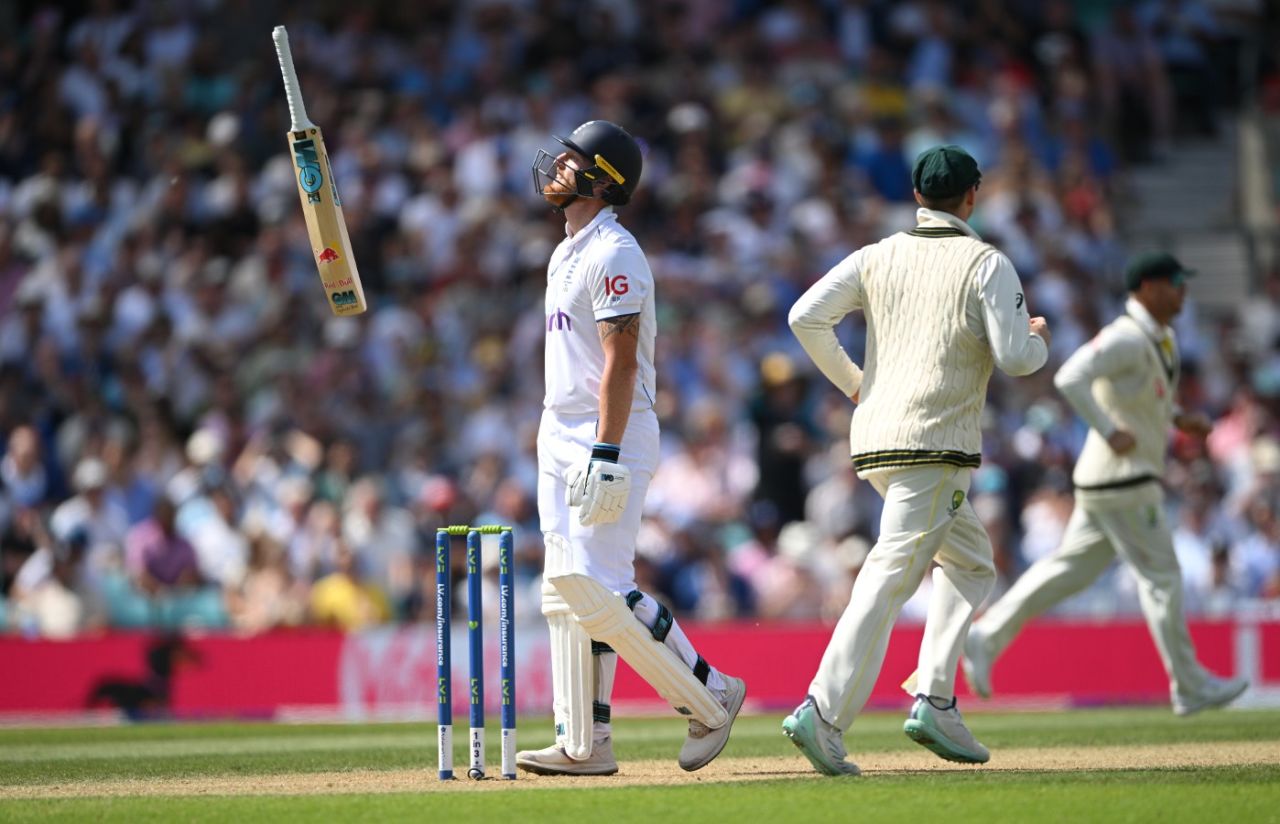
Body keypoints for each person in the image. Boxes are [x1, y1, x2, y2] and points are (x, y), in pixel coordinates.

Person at [782, 145, 1050, 776]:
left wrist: (855, 383)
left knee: (971, 563)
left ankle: (935, 696)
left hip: (876, 438)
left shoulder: (878, 255)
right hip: (934, 442)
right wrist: (1036, 338)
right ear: (973, 197)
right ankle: (823, 711)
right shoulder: (986, 261)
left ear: (917, 197)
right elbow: (1016, 358)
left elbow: (804, 317)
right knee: (890, 576)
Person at [515, 120, 746, 777]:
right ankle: (585, 743)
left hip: (607, 429)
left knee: (600, 586)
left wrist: (606, 452)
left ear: (601, 179)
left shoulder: (615, 252)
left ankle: (710, 694)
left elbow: (620, 365)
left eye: (572, 159)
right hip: (556, 429)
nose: (556, 165)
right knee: (563, 591)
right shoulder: (565, 251)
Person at [963, 252, 1249, 716]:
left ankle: (987, 633)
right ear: (1148, 288)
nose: (1183, 292)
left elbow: (1140, 398)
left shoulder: (1159, 339)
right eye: (1175, 282)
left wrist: (1178, 418)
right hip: (1124, 479)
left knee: (1071, 570)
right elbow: (1071, 375)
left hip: (1114, 481)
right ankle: (1189, 682)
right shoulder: (1125, 337)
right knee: (1162, 576)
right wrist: (1106, 429)